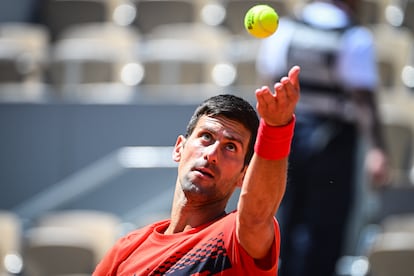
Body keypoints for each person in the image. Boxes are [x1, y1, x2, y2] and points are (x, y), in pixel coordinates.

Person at [93, 66, 301, 275]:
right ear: (179, 148)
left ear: (243, 176)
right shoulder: (126, 250)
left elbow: (256, 216)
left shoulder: (235, 238)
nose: (211, 154)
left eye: (230, 147)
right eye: (206, 137)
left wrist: (276, 128)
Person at [256, 1, 389, 276]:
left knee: (286, 218)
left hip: (286, 138)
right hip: (335, 143)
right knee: (327, 228)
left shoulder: (286, 29)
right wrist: (377, 149)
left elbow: (269, 82)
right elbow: (363, 99)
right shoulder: (354, 36)